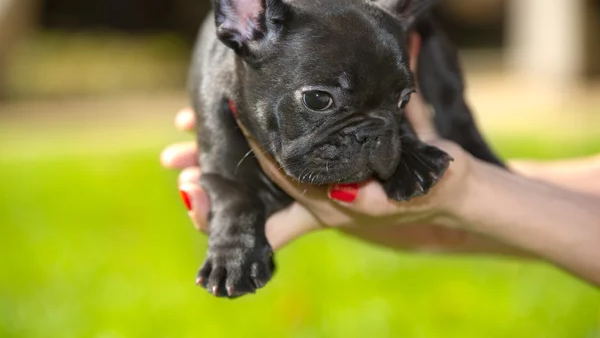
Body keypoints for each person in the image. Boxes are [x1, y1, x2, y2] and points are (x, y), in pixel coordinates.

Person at [160, 38, 600, 287]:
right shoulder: (236, 63)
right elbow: (221, 169)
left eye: (400, 101)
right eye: (320, 100)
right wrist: (235, 223)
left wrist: (472, 186)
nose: (369, 137)